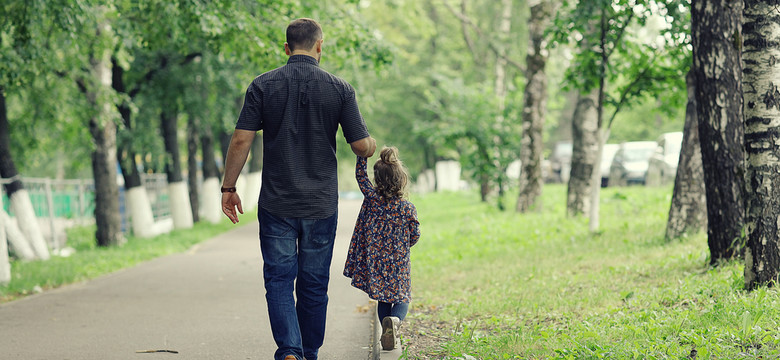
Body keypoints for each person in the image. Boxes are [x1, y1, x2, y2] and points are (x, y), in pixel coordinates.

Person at [220, 18, 377, 360]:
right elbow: (360, 145)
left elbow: (241, 139)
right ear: (320, 47)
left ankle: (289, 350)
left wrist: (228, 186)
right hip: (321, 204)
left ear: (287, 48)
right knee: (314, 283)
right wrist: (371, 146)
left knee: (278, 279)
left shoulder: (262, 86)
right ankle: (308, 351)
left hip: (277, 203)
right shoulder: (340, 89)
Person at [343, 146, 420, 351]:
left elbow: (360, 176)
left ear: (377, 180)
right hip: (399, 261)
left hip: (377, 261)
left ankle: (387, 326)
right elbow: (415, 234)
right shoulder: (407, 207)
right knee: (402, 297)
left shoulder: (373, 200)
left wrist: (362, 152)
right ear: (401, 179)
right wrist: (404, 245)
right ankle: (395, 322)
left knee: (383, 298)